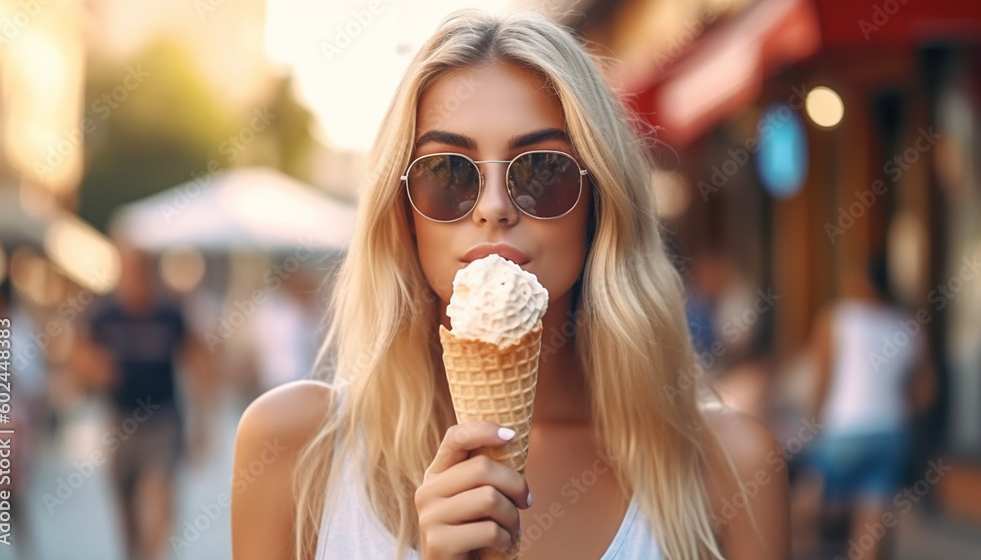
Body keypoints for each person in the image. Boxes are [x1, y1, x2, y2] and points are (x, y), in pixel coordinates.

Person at [232, 10, 789, 560]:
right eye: (448, 172)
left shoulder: (734, 468)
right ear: (402, 211)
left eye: (542, 170)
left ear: (600, 204)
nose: (494, 208)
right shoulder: (294, 449)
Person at [81, 236, 214, 560]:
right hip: (120, 421)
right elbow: (80, 358)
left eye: (141, 269)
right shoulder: (105, 316)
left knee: (158, 494)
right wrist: (94, 370)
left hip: (162, 420)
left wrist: (202, 424)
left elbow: (199, 363)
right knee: (125, 509)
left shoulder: (170, 314)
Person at [805, 254, 935, 559]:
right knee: (870, 527)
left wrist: (812, 425)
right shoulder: (909, 325)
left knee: (809, 512)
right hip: (890, 433)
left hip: (843, 431)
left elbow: (821, 380)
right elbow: (927, 390)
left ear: (862, 281)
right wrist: (900, 408)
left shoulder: (837, 317)